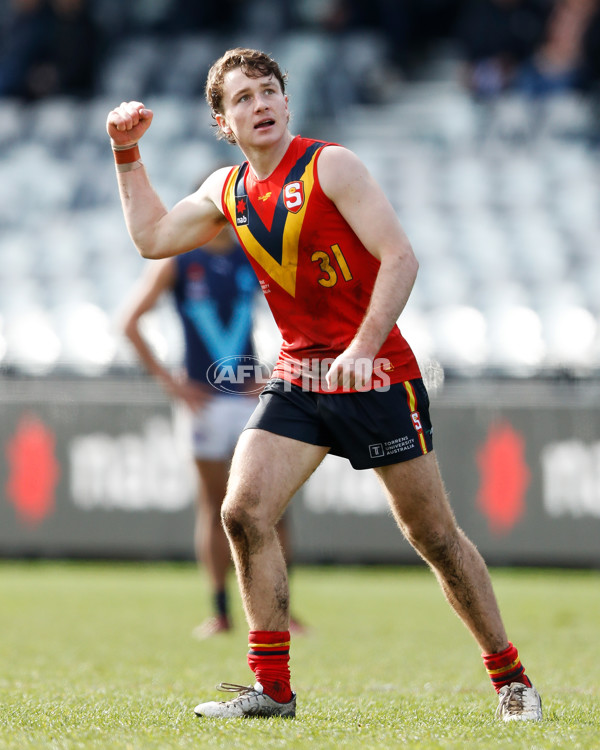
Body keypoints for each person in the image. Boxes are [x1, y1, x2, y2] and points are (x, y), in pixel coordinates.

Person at [106, 47, 542, 722]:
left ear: (287, 100)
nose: (261, 104)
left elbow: (401, 257)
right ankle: (273, 690)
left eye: (269, 91)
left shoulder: (330, 164)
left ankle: (511, 678)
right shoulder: (226, 189)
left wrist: (363, 348)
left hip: (377, 375)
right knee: (242, 510)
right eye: (243, 97)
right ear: (224, 123)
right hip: (301, 376)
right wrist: (126, 154)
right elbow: (153, 238)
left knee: (435, 539)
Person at [119, 223, 305, 639]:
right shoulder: (180, 261)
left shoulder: (253, 256)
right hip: (204, 402)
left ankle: (283, 611)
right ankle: (221, 610)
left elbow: (297, 314)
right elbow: (129, 322)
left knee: (273, 505)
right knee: (214, 505)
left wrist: (277, 372)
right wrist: (173, 384)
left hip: (247, 397)